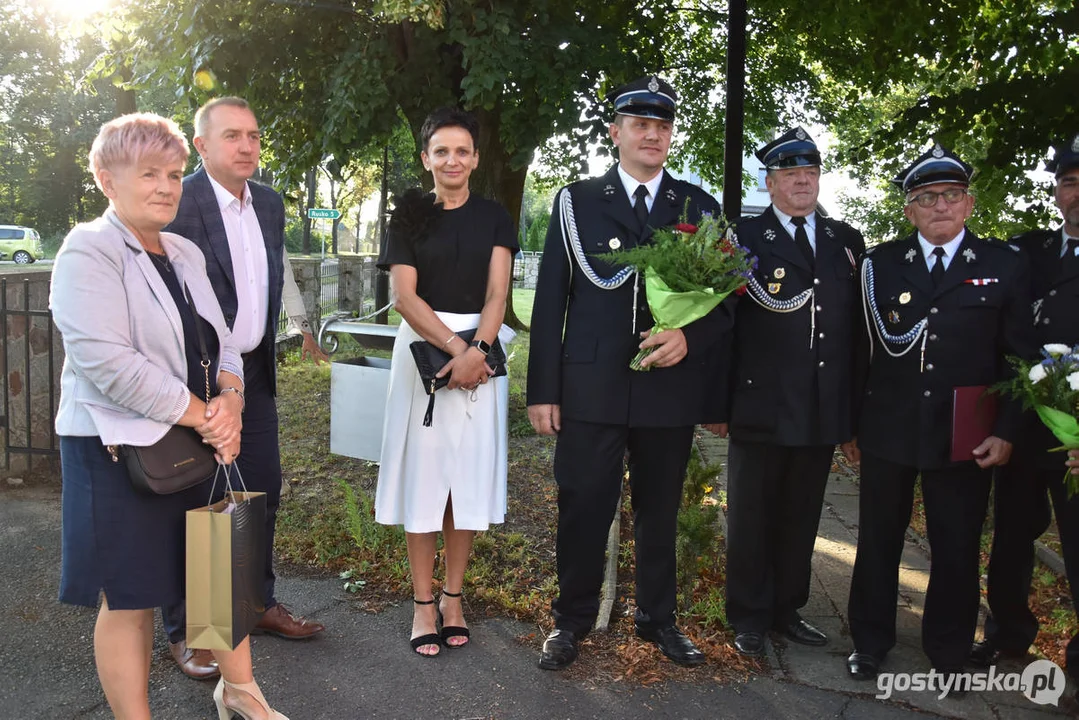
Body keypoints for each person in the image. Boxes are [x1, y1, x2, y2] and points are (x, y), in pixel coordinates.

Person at [51, 113, 287, 720]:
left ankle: (242, 694)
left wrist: (231, 399)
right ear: (107, 178)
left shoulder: (182, 251)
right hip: (117, 448)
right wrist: (205, 413)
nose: (166, 186)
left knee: (219, 572)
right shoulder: (88, 249)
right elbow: (107, 363)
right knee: (130, 598)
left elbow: (226, 342)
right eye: (149, 173)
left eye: (175, 174)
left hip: (201, 434)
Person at [527, 76, 731, 670]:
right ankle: (571, 621)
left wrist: (688, 337)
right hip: (590, 387)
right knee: (584, 503)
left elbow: (728, 303)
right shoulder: (576, 201)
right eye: (641, 124)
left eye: (663, 126)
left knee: (660, 509)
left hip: (668, 389)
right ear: (616, 132)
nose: (653, 135)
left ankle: (658, 620)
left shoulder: (698, 207)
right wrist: (544, 391)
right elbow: (549, 304)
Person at [844, 144, 1040, 685]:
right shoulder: (880, 265)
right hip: (888, 427)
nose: (940, 207)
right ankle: (870, 641)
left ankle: (948, 650)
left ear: (969, 204)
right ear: (909, 210)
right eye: (926, 198)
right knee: (879, 540)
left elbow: (1020, 359)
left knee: (957, 544)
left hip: (966, 433)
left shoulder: (1004, 265)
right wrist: (851, 427)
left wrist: (1006, 432)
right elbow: (859, 352)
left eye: (950, 196)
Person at [161, 97, 324, 681]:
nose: (248, 145)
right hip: (198, 378)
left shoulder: (271, 204)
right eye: (233, 136)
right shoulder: (180, 203)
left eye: (254, 135)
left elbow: (270, 280)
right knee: (201, 499)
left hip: (254, 371)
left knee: (262, 488)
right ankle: (192, 630)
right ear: (201, 146)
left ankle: (253, 604)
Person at [704, 128, 865, 657]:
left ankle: (786, 608)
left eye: (811, 172)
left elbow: (854, 332)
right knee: (751, 514)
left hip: (820, 404)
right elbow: (720, 324)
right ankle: (749, 615)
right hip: (759, 402)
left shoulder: (846, 241)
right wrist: (716, 403)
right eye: (791, 173)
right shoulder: (742, 238)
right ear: (770, 182)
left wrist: (851, 415)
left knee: (802, 512)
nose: (803, 181)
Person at [374, 107, 517, 657]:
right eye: (441, 151)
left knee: (466, 482)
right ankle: (422, 603)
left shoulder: (495, 216)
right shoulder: (408, 216)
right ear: (426, 158)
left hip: (482, 355)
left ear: (475, 159)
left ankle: (454, 599)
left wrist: (478, 351)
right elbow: (405, 297)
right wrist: (456, 351)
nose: (452, 159)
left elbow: (497, 295)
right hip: (424, 356)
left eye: (462, 151)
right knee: (426, 480)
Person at [973, 135, 1079, 679]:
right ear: (1057, 191)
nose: (1078, 192)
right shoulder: (1025, 252)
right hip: (1025, 425)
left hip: (1078, 439)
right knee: (1012, 536)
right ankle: (1007, 638)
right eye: (1070, 181)